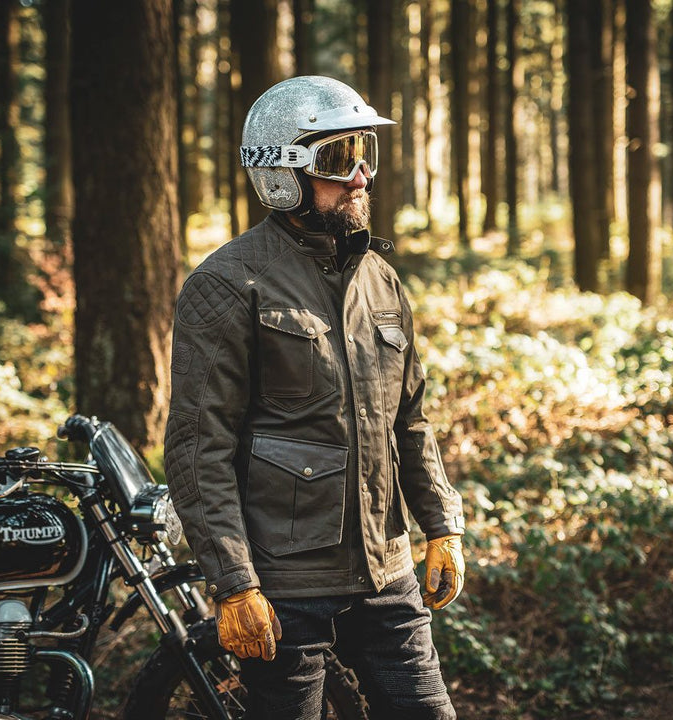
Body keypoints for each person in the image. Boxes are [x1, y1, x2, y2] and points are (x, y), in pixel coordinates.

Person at [165, 75, 466, 720]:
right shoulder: (226, 283)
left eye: (364, 154)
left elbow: (409, 420)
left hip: (386, 574)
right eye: (336, 159)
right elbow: (199, 448)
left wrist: (441, 525)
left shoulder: (381, 280)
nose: (359, 175)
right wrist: (234, 582)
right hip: (284, 587)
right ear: (282, 172)